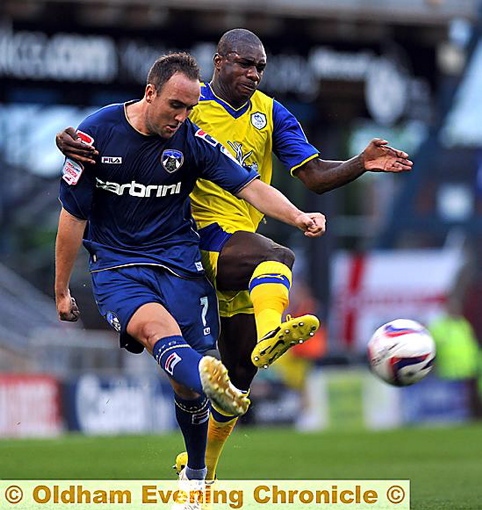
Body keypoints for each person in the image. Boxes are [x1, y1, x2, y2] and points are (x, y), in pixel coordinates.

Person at [56, 28, 413, 480]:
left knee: (238, 378)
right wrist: (64, 140)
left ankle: (200, 470)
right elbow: (122, 126)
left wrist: (358, 164)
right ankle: (271, 332)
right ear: (219, 62)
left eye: (260, 66)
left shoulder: (268, 114)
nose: (253, 73)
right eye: (244, 64)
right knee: (275, 258)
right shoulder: (188, 100)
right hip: (195, 238)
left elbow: (307, 176)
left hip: (221, 254)